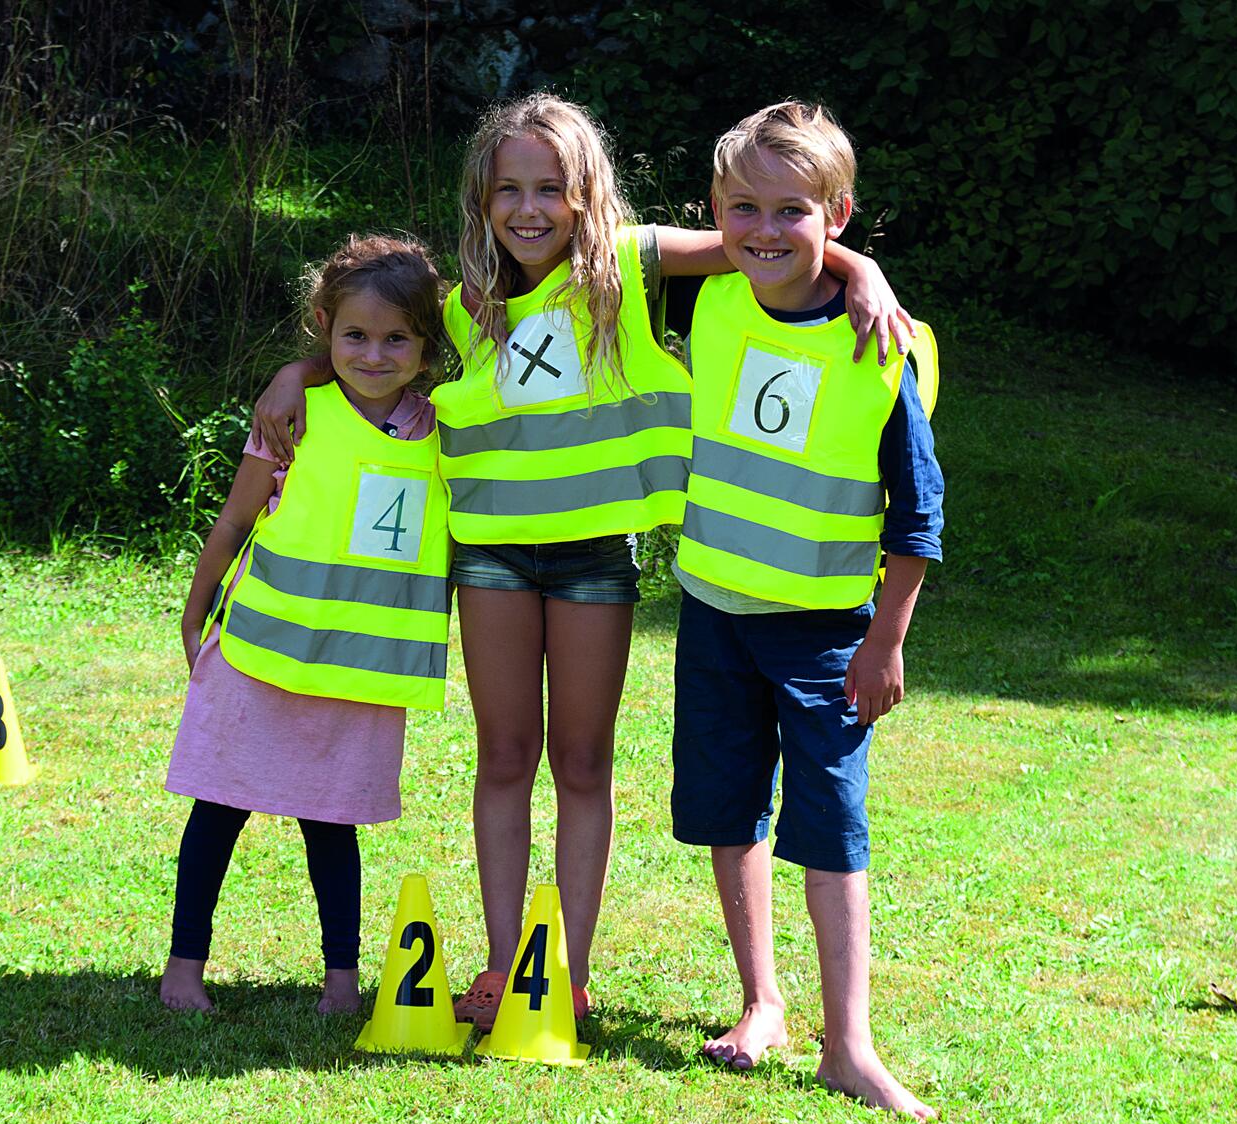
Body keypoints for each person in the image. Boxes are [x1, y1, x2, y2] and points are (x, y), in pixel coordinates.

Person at [250, 94, 911, 1032]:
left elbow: (757, 243)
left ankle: (565, 970)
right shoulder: (461, 304)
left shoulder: (630, 268)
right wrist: (294, 372)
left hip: (595, 560)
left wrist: (863, 268)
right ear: (482, 199)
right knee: (504, 757)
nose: (529, 209)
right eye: (508, 189)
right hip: (491, 559)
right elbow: (370, 341)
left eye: (549, 188)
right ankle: (501, 963)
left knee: (582, 763)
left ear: (585, 192)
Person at [667, 101, 944, 1119]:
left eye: (792, 211)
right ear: (713, 212)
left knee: (828, 821)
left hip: (825, 634)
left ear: (837, 213)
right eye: (741, 207)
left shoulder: (880, 344)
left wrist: (885, 642)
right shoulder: (709, 300)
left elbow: (917, 515)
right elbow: (598, 246)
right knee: (727, 808)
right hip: (710, 613)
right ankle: (762, 1005)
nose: (764, 230)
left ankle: (848, 1044)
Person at [159, 235, 451, 1016]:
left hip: (357, 677)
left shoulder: (450, 434)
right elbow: (233, 521)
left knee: (332, 826)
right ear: (324, 327)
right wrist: (195, 612)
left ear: (426, 344)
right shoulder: (294, 416)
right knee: (217, 810)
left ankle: (340, 982)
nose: (374, 355)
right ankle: (183, 969)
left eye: (397, 339)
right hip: (258, 653)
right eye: (355, 335)